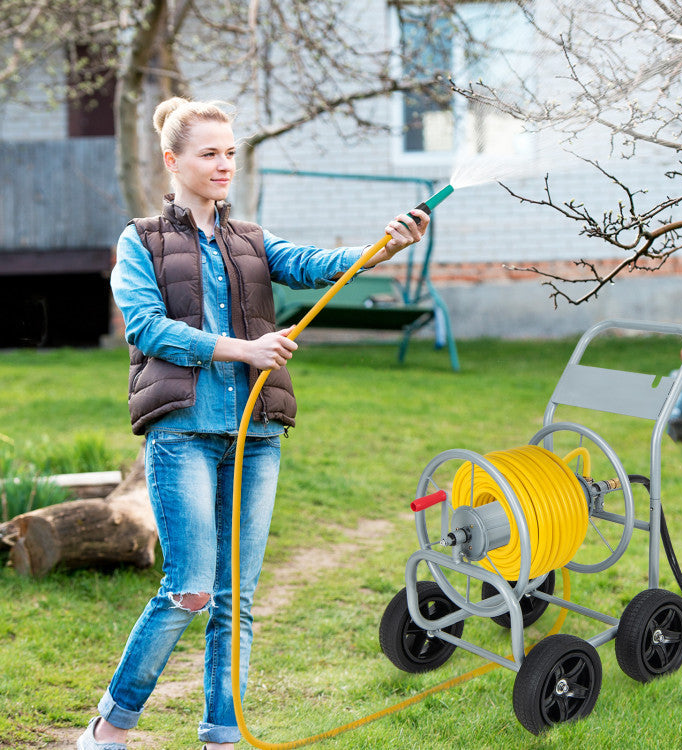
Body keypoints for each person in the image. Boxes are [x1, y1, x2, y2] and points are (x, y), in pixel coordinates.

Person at [77, 96, 429, 750]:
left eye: (230, 153)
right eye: (209, 153)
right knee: (190, 590)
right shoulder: (141, 241)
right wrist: (243, 350)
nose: (223, 165)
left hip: (255, 437)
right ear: (173, 160)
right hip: (181, 431)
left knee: (235, 599)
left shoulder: (251, 241)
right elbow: (148, 327)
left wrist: (386, 245)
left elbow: (322, 267)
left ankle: (221, 736)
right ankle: (110, 726)